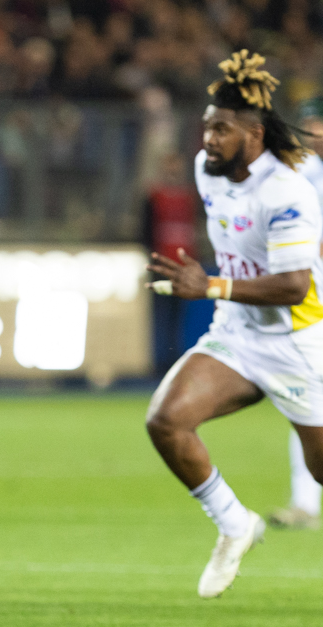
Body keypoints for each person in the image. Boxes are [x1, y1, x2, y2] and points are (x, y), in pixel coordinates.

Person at [145, 50, 323, 598]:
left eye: (222, 130)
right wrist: (214, 289)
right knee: (166, 420)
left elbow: (294, 286)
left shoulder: (286, 190)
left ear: (255, 134)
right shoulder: (208, 171)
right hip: (238, 333)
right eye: (207, 127)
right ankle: (234, 523)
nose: (209, 140)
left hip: (297, 342)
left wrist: (211, 285)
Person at [268, 97, 323, 530]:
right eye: (309, 125)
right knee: (305, 397)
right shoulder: (298, 172)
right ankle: (304, 504)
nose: (315, 133)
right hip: (312, 297)